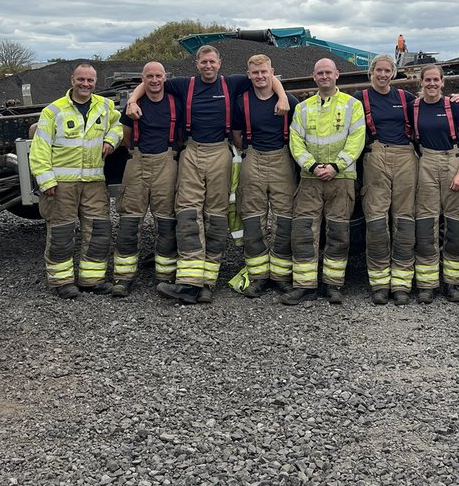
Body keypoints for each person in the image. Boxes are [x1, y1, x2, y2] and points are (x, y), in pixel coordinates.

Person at [124, 46, 287, 305]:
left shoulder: (232, 83)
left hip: (220, 152)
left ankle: (207, 283)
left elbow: (266, 76)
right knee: (188, 212)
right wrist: (132, 100)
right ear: (196, 64)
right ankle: (189, 283)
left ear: (219, 63)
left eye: (212, 61)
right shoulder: (183, 85)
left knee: (216, 216)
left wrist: (282, 97)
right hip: (192, 151)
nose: (208, 66)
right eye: (203, 62)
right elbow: (152, 82)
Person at [29, 63, 122, 299]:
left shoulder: (105, 106)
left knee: (98, 231)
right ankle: (62, 282)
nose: (85, 84)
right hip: (62, 184)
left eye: (90, 80)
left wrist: (111, 139)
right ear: (72, 80)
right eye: (81, 79)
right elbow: (39, 149)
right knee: (61, 232)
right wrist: (46, 180)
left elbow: (118, 125)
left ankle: (92, 280)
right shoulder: (53, 111)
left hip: (93, 182)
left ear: (95, 82)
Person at [284, 58, 366, 305]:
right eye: (319, 73)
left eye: (328, 72)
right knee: (304, 232)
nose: (324, 76)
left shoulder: (353, 105)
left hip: (341, 178)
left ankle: (333, 285)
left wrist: (336, 166)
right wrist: (311, 165)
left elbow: (356, 139)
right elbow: (295, 140)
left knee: (338, 232)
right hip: (310, 178)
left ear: (337, 75)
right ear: (314, 76)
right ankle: (304, 285)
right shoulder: (303, 107)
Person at [231, 55, 300, 297]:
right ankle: (258, 276)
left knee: (284, 218)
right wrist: (249, 152)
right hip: (254, 158)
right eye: (255, 73)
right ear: (248, 74)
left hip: (282, 159)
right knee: (253, 219)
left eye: (263, 72)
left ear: (272, 72)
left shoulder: (288, 101)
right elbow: (236, 133)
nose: (260, 77)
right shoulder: (242, 102)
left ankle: (281, 276)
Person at [112, 61, 179, 298]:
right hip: (137, 162)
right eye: (149, 76)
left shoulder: (175, 103)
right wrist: (132, 100)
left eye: (158, 76)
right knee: (130, 222)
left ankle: (165, 276)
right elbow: (126, 137)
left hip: (166, 164)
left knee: (166, 222)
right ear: (143, 78)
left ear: (164, 77)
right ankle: (123, 278)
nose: (154, 80)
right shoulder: (133, 107)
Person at [356, 54, 418, 305]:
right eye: (378, 70)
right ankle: (379, 284)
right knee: (377, 220)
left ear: (393, 73)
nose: (382, 75)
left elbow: (432, 107)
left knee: (404, 220)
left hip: (405, 157)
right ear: (371, 72)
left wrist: (454, 100)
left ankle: (402, 283)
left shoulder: (405, 98)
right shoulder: (360, 99)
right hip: (375, 157)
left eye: (387, 70)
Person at [413, 64, 459, 305]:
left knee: (456, 226)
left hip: (453, 162)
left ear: (443, 81)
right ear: (421, 82)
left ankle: (453, 283)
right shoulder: (414, 107)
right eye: (427, 80)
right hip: (426, 162)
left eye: (435, 80)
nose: (431, 84)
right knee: (426, 225)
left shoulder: (453, 106)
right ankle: (427, 284)